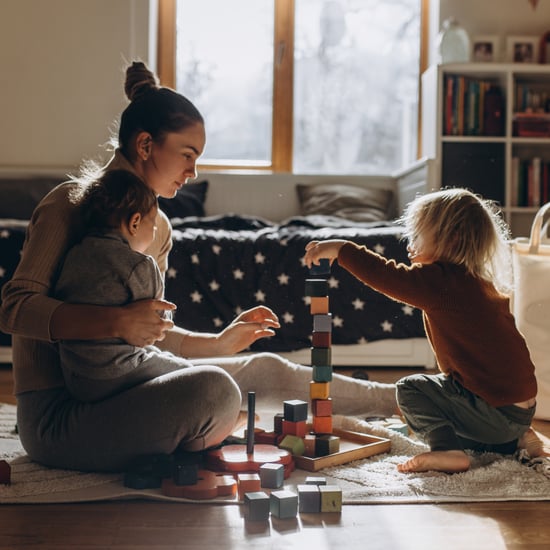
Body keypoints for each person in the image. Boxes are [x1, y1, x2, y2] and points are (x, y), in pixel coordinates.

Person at [0, 60, 397, 472]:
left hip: (127, 388)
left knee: (261, 368)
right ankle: (206, 431)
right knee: (213, 392)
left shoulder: (160, 228)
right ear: (145, 145)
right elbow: (14, 309)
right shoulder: (68, 203)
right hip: (59, 418)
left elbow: (149, 333)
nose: (193, 173)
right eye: (187, 156)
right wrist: (115, 323)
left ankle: (401, 400)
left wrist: (218, 343)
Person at [304, 187, 538, 474]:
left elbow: (387, 275)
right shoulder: (477, 282)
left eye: (417, 236)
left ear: (450, 239)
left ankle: (447, 451)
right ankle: (510, 441)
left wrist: (343, 250)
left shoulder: (442, 281)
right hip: (519, 412)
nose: (409, 245)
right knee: (444, 402)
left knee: (411, 389)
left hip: (495, 413)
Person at [54, 169, 190, 402]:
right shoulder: (139, 264)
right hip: (119, 371)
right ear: (135, 222)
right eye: (154, 226)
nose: (155, 233)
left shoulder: (74, 254)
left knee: (155, 356)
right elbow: (158, 322)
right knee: (191, 374)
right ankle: (215, 428)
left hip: (76, 377)